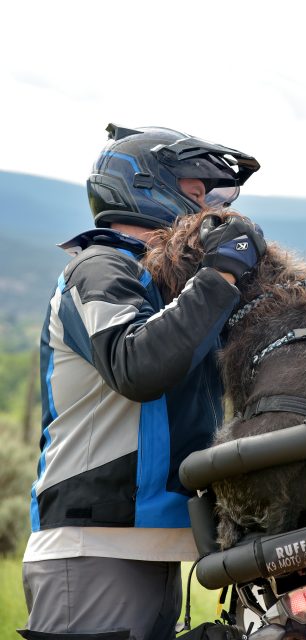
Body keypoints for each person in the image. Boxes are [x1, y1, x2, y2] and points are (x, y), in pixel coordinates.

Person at [20, 123, 266, 640]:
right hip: (94, 544)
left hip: (146, 542)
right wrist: (221, 272)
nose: (212, 213)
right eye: (199, 195)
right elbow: (140, 365)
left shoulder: (167, 287)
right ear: (147, 188)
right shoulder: (100, 267)